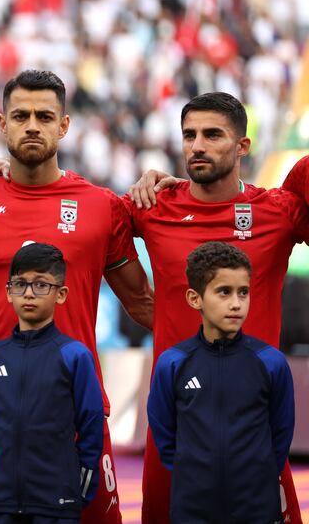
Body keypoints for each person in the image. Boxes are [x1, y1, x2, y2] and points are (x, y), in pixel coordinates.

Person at [0, 70, 153, 524]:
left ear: (64, 126)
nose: (32, 126)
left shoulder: (102, 206)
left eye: (45, 116)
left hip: (75, 405)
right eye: (20, 116)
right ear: (2, 123)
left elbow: (142, 303)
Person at [123, 92, 309, 524]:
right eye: (189, 135)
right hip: (176, 416)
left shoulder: (279, 212)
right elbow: (75, 209)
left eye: (212, 135)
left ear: (243, 146)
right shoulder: (152, 207)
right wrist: (7, 173)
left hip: (255, 418)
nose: (197, 146)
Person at [147, 242, 294, 523]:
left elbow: (281, 433)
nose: (236, 303)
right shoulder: (173, 363)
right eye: (224, 292)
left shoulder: (271, 362)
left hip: (256, 506)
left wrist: (256, 475)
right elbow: (164, 434)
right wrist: (192, 472)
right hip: (192, 505)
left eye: (244, 292)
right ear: (194, 298)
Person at [0, 243, 104, 523]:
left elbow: (91, 426)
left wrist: (80, 486)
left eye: (41, 285)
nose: (28, 293)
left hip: (57, 499)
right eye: (20, 284)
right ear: (8, 291)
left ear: (61, 294)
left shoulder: (74, 355)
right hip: (4, 500)